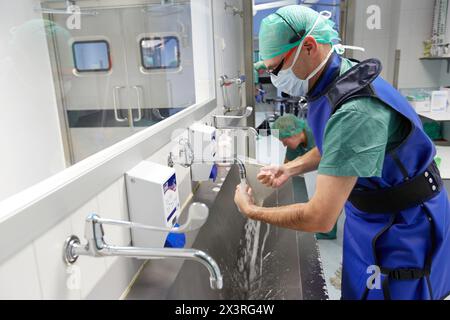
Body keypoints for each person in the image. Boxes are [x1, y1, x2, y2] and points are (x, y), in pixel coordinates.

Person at [234, 5, 450, 300]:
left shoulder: (355, 110)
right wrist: (291, 168)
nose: (274, 79)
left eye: (276, 69)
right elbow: (341, 148)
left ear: (308, 46)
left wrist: (252, 212)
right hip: (369, 218)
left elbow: (321, 217)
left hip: (403, 228)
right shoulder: (336, 80)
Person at [273, 114, 337, 240]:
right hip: (327, 163)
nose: (284, 146)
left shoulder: (319, 135)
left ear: (295, 133)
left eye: (284, 141)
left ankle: (327, 231)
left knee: (330, 194)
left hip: (337, 163)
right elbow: (287, 166)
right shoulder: (296, 143)